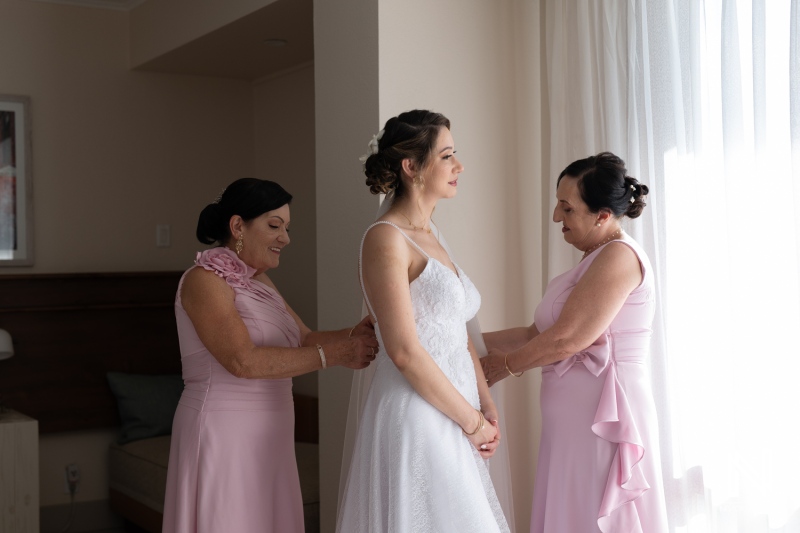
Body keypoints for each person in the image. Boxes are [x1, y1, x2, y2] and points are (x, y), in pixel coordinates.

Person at [162, 178, 379, 533]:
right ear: (237, 227)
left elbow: (304, 337)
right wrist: (336, 354)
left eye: (287, 228)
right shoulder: (203, 280)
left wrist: (359, 332)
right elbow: (242, 360)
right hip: (224, 430)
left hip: (272, 432)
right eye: (274, 226)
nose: (286, 238)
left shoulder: (259, 281)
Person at [337, 110, 510, 532]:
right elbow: (403, 351)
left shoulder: (431, 234)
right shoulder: (385, 238)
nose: (459, 166)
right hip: (418, 414)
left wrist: (485, 405)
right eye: (447, 156)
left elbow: (458, 331)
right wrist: (471, 423)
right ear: (411, 167)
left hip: (458, 411)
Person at [481, 152, 669, 532]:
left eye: (566, 208)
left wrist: (503, 367)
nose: (555, 218)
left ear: (602, 215)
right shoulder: (592, 259)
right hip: (571, 428)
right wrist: (460, 340)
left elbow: (569, 338)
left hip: (607, 419)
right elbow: (536, 335)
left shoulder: (619, 256)